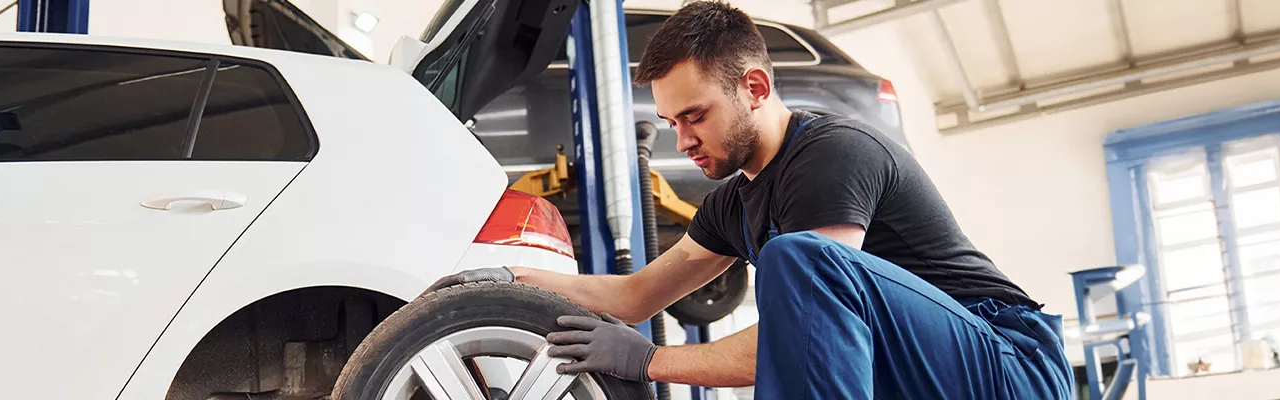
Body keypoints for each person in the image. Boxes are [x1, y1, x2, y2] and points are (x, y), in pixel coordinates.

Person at [425, 1, 1073, 398]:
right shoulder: (732, 204)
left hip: (1008, 363)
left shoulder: (832, 153)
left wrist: (652, 360)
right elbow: (632, 297)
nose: (685, 139)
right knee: (797, 265)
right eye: (673, 122)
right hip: (924, 370)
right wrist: (502, 280)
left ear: (755, 87)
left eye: (696, 116)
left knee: (798, 262)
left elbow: (804, 330)